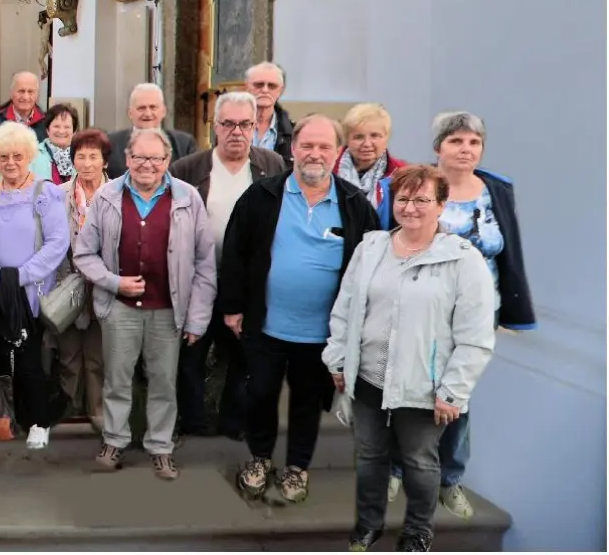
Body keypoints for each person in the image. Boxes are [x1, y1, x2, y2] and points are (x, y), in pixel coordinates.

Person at [324, 164, 496, 554]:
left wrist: (453, 392)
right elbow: (345, 309)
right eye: (403, 198)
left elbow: (476, 338)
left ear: (440, 205)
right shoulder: (370, 249)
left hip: (426, 386)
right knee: (369, 456)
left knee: (420, 461)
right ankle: (368, 525)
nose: (411, 207)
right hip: (367, 378)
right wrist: (338, 360)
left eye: (421, 199)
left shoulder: (463, 260)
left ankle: (418, 531)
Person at [381, 110, 535, 519]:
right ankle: (396, 468)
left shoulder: (497, 190)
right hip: (421, 307)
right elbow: (388, 244)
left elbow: (510, 251)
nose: (466, 149)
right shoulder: (414, 186)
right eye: (456, 141)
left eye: (473, 142)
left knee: (458, 397)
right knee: (410, 390)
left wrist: (514, 311)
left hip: (478, 312)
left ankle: (450, 479)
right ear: (438, 147)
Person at [220, 115, 379, 505]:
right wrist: (233, 307)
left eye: (325, 146)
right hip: (266, 324)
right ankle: (259, 459)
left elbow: (372, 265)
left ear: (336, 152)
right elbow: (235, 253)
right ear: (292, 149)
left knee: (308, 402)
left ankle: (297, 468)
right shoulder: (261, 196)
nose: (315, 153)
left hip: (322, 333)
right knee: (259, 393)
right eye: (307, 145)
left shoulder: (355, 205)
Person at [74, 127, 216, 480]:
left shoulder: (187, 198)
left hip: (169, 310)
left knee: (164, 383)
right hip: (119, 309)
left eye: (155, 158)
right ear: (127, 159)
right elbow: (84, 253)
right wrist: (113, 282)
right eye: (139, 157)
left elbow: (205, 262)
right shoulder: (107, 196)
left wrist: (197, 319)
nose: (146, 165)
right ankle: (114, 440)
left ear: (167, 161)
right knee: (117, 380)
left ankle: (161, 447)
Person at [170, 92, 285, 439]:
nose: (237, 132)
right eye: (229, 124)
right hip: (197, 277)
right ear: (215, 126)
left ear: (256, 126)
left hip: (250, 282)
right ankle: (193, 422)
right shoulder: (188, 168)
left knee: (244, 355)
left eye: (245, 124)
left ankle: (234, 422)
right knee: (191, 353)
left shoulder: (273, 166)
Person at [0, 121, 71, 451]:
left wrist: (20, 276)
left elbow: (57, 243)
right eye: (3, 156)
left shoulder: (45, 192)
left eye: (17, 156)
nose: (10, 163)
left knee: (30, 359)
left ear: (30, 156)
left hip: (30, 291)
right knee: (1, 358)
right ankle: (10, 415)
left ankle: (40, 421)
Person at [48, 128, 111, 431]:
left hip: (104, 285)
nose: (86, 163)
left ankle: (96, 409)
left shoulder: (116, 194)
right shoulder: (57, 194)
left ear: (104, 161)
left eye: (93, 156)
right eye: (80, 156)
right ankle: (68, 406)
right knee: (69, 353)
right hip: (67, 284)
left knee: (97, 356)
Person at [104, 83, 198, 178]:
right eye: (141, 108)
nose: (148, 114)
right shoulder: (111, 142)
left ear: (164, 111)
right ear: (130, 113)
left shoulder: (184, 143)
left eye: (153, 107)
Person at [332, 102, 404, 211]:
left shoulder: (402, 174)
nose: (367, 144)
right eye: (358, 137)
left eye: (375, 136)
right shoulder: (330, 168)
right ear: (347, 139)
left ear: (386, 138)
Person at [245, 62, 293, 164]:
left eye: (272, 86)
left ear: (281, 90)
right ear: (247, 87)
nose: (265, 90)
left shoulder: (293, 133)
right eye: (259, 85)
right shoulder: (229, 125)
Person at [0, 71, 48, 140]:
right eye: (21, 91)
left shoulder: (46, 122)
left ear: (37, 95)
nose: (26, 97)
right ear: (11, 93)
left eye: (30, 92)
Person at [39, 103, 79, 184]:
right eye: (56, 126)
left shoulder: (81, 154)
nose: (61, 131)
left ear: (74, 131)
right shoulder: (33, 155)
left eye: (67, 127)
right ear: (47, 129)